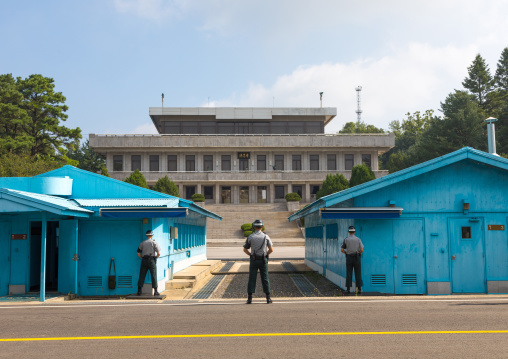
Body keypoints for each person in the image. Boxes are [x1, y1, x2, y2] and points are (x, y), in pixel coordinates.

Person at [243, 219, 274, 304]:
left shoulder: (250, 236)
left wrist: (250, 255)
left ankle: (249, 299)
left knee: (252, 278)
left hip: (254, 260)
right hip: (263, 260)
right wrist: (266, 255)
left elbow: (245, 249)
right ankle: (268, 298)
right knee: (265, 278)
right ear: (262, 227)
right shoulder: (266, 236)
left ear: (254, 227)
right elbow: (271, 249)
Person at [137, 230, 161, 296]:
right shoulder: (154, 242)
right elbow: (158, 253)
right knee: (153, 275)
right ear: (152, 235)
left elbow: (138, 252)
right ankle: (155, 291)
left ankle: (139, 291)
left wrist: (142, 257)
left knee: (142, 274)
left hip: (144, 259)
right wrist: (155, 257)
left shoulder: (142, 243)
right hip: (151, 259)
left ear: (146, 236)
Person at [341, 225, 364, 295]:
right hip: (357, 257)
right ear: (354, 232)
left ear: (349, 232)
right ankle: (359, 289)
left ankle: (348, 289)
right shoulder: (358, 239)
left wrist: (346, 253)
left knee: (349, 273)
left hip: (349, 257)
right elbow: (362, 250)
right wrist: (358, 253)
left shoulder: (346, 239)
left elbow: (342, 250)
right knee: (358, 273)